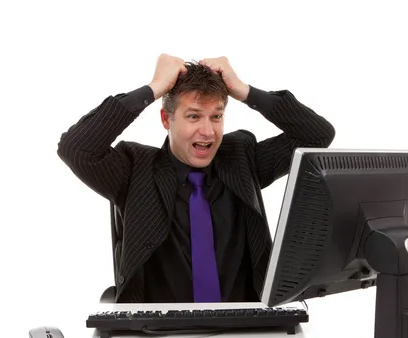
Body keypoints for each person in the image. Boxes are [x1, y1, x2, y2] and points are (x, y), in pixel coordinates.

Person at [57, 54, 335, 303]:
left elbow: (316, 136)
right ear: (166, 120)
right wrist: (153, 88)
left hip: (247, 333)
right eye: (193, 116)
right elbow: (76, 147)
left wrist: (244, 91)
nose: (208, 131)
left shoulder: (240, 159)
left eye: (216, 116)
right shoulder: (134, 169)